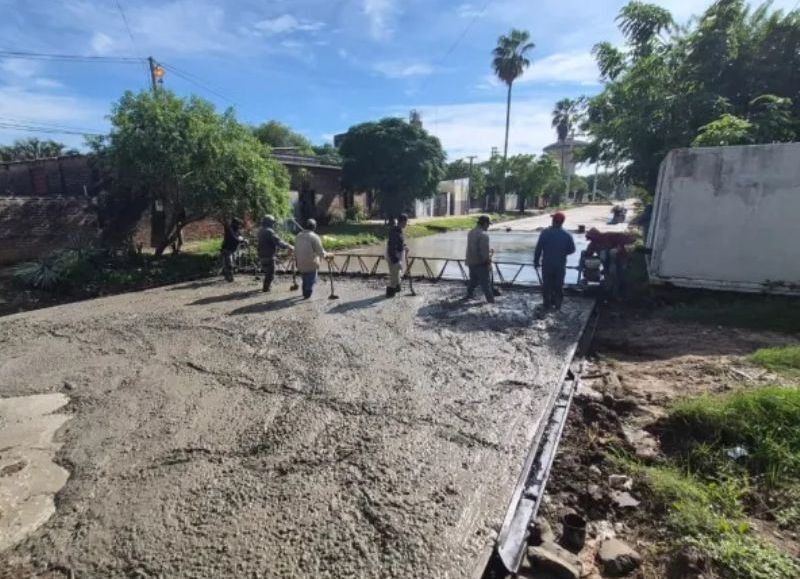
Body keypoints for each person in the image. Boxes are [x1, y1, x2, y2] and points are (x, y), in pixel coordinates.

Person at [534, 212, 576, 311]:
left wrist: (536, 261)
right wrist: (562, 253)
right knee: (558, 286)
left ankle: (546, 305)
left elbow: (538, 249)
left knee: (546, 285)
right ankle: (557, 306)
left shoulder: (545, 233)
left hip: (547, 265)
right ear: (562, 222)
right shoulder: (567, 235)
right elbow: (572, 250)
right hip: (560, 265)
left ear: (553, 221)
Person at [584, 228, 637, 300]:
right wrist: (586, 255)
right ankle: (610, 293)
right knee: (609, 276)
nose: (592, 240)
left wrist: (619, 248)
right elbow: (588, 253)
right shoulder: (593, 244)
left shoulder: (609, 236)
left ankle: (620, 294)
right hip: (607, 264)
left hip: (619, 259)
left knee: (620, 276)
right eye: (590, 239)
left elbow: (627, 239)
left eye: (592, 238)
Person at [294, 218, 330, 299]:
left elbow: (295, 250)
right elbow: (320, 251)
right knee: (311, 280)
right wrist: (327, 255)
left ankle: (304, 292)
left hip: (300, 264)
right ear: (314, 227)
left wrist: (297, 261)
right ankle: (307, 294)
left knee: (304, 278)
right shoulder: (314, 237)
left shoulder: (298, 236)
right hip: (311, 264)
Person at [258, 215, 293, 293]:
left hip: (261, 255)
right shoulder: (270, 231)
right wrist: (288, 246)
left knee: (267, 272)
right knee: (270, 274)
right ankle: (266, 289)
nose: (273, 224)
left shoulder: (261, 230)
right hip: (269, 256)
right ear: (269, 223)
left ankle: (266, 287)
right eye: (272, 223)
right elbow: (278, 242)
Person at [465, 215, 495, 303]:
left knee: (473, 280)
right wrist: (488, 262)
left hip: (470, 261)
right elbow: (484, 253)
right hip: (480, 263)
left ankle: (469, 294)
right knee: (486, 284)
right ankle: (491, 302)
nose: (489, 226)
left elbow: (473, 247)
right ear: (485, 224)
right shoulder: (484, 235)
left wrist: (488, 250)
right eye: (488, 224)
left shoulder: (471, 232)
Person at [386, 214, 408, 298]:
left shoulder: (399, 230)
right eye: (406, 222)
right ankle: (390, 293)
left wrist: (404, 246)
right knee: (394, 275)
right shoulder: (395, 232)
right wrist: (395, 261)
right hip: (393, 255)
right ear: (402, 222)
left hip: (397, 254)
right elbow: (392, 247)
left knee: (398, 273)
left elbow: (400, 241)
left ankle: (397, 288)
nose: (406, 224)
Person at [221, 217, 245, 282]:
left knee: (232, 264)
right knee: (229, 264)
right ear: (235, 223)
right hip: (227, 249)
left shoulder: (237, 230)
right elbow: (233, 238)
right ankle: (229, 278)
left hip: (233, 249)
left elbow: (240, 236)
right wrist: (240, 240)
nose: (239, 226)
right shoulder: (229, 229)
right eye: (238, 224)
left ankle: (228, 276)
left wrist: (243, 240)